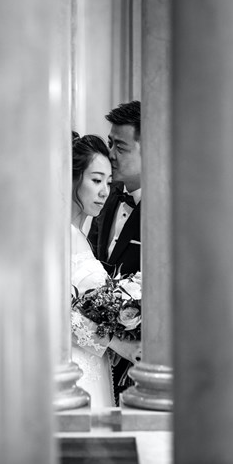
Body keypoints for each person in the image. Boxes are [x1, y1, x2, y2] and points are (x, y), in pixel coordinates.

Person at [71, 132, 141, 408]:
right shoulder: (59, 235)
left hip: (93, 364)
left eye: (109, 183)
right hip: (74, 369)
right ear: (72, 177)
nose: (104, 191)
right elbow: (54, 311)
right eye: (96, 180)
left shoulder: (80, 235)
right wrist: (116, 342)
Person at [88, 100, 142, 401]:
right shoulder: (106, 200)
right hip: (102, 353)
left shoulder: (169, 214)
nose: (110, 154)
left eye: (120, 147)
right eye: (110, 143)